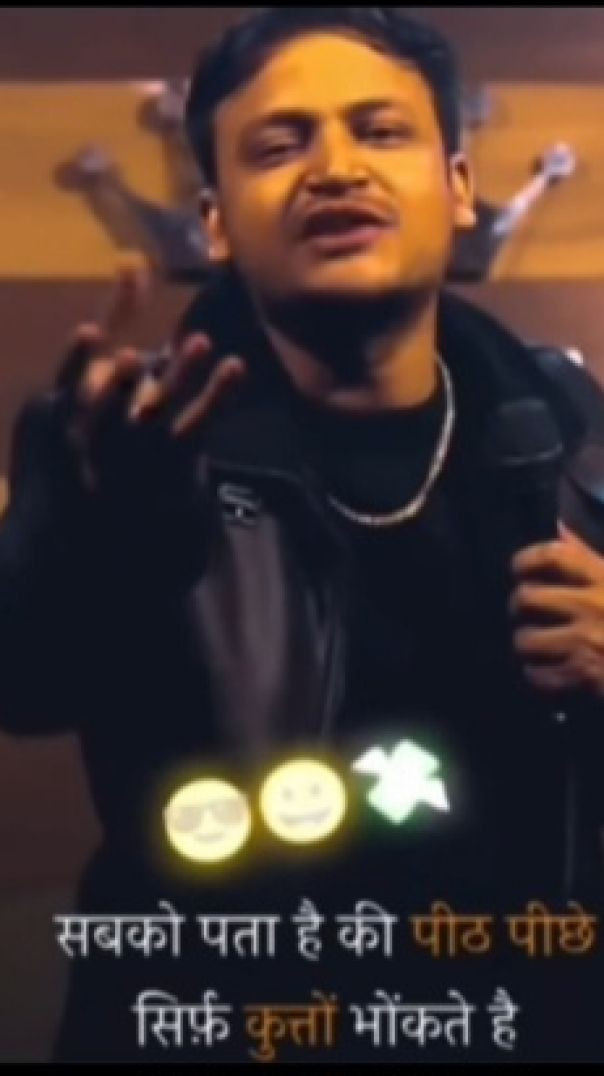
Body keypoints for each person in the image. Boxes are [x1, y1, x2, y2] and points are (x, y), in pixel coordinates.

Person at [1, 6, 604, 1063]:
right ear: (216, 221)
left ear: (459, 187)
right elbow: (27, 681)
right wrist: (94, 541)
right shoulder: (128, 443)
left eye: (380, 131)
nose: (335, 169)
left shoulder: (569, 428)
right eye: (279, 146)